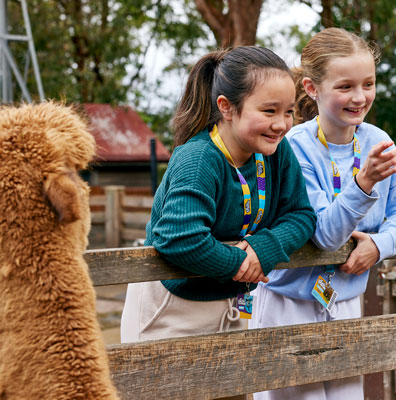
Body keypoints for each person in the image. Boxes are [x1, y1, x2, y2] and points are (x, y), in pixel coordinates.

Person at [249, 28, 396, 400]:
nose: (360, 98)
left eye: (368, 84)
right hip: (289, 305)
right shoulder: (293, 148)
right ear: (312, 88)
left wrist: (380, 244)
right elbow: (325, 235)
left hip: (343, 303)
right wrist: (364, 183)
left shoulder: (378, 141)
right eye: (345, 86)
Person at [120, 46, 316, 343]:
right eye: (269, 110)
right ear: (226, 107)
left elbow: (301, 215)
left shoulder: (275, 151)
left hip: (235, 304)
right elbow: (178, 237)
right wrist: (239, 263)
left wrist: (264, 248)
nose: (281, 124)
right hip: (173, 308)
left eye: (288, 111)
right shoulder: (199, 159)